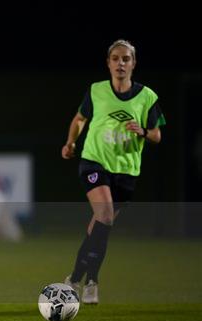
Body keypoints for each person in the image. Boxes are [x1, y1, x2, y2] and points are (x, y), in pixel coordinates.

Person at [61, 39, 166, 304]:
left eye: (126, 59)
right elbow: (80, 119)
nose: (121, 63)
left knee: (99, 225)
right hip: (94, 161)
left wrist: (142, 131)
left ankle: (74, 278)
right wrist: (71, 142)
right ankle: (92, 283)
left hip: (126, 171)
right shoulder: (96, 90)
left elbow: (156, 134)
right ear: (108, 63)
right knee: (105, 215)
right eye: (116, 58)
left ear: (133, 63)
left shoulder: (147, 96)